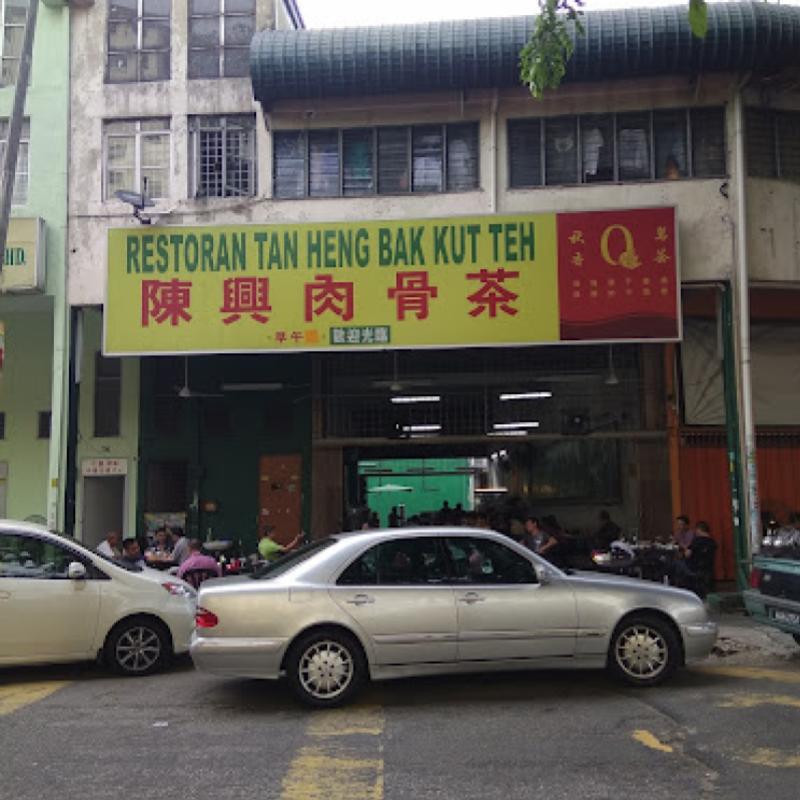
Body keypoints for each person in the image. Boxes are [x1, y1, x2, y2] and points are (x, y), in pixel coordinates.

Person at [672, 521, 717, 598]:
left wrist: (683, 549)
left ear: (699, 530)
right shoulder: (713, 542)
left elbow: (687, 554)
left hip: (693, 568)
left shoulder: (696, 541)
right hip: (707, 569)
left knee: (676, 563)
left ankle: (676, 590)